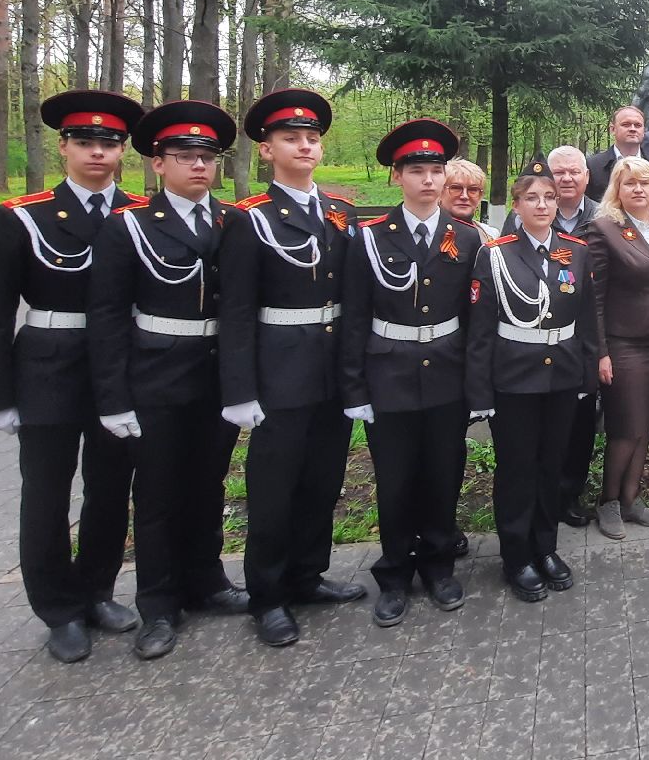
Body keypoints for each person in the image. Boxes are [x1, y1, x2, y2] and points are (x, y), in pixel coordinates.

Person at [0, 89, 146, 663]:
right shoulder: (23, 217)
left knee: (109, 488)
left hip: (119, 368)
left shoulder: (141, 213)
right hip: (50, 364)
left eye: (110, 143)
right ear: (64, 146)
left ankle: (97, 591)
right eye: (86, 142)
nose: (98, 153)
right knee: (46, 492)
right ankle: (57, 609)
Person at [87, 99, 250, 660]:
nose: (199, 167)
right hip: (154, 373)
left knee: (208, 485)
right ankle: (158, 604)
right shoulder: (128, 226)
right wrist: (112, 398)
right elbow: (106, 316)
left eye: (207, 157)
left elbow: (239, 308)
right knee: (156, 495)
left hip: (215, 375)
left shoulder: (232, 222)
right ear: (158, 164)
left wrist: (242, 384)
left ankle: (206, 581)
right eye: (185, 156)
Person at [218, 89, 368, 648]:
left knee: (323, 479)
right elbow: (233, 310)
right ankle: (268, 595)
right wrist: (240, 389)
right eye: (291, 138)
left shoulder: (339, 213)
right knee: (273, 487)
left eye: (311, 138)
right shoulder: (249, 219)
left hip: (331, 371)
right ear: (266, 150)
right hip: (279, 369)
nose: (304, 145)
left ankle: (309, 574)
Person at [341, 120, 486, 625]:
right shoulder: (370, 239)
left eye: (435, 170)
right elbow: (354, 318)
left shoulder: (465, 240)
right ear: (396, 177)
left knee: (444, 475)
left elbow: (474, 322)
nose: (428, 180)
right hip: (390, 377)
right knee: (396, 481)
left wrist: (476, 383)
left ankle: (440, 567)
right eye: (417, 171)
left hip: (446, 376)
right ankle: (395, 574)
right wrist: (355, 387)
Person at [468, 161, 598, 600]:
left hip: (561, 374)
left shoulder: (576, 250)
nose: (542, 204)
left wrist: (586, 372)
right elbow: (481, 330)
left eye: (548, 196)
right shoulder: (496, 253)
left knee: (551, 466)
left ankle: (545, 548)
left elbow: (587, 319)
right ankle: (516, 555)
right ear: (517, 205)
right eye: (532, 198)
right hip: (514, 378)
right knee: (518, 469)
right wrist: (480, 392)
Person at [503, 146, 600, 527]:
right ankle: (531, 516)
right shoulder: (519, 229)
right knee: (529, 449)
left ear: (586, 176)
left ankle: (567, 496)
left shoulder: (603, 215)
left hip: (573, 347)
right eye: (559, 173)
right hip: (525, 356)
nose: (566, 179)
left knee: (576, 430)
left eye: (574, 172)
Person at [586, 157, 649, 538]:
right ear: (617, 190)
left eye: (645, 182)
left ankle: (631, 499)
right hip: (622, 342)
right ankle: (607, 502)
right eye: (629, 184)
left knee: (646, 425)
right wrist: (601, 351)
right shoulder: (604, 229)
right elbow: (593, 296)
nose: (638, 189)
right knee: (625, 427)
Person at [587, 105, 649, 197]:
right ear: (613, 129)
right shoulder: (593, 165)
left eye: (638, 125)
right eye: (626, 125)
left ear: (644, 130)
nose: (632, 129)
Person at [443, 157, 498, 240]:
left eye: (473, 190)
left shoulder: (490, 235)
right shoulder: (428, 232)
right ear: (440, 192)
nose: (464, 196)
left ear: (480, 196)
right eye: (456, 188)